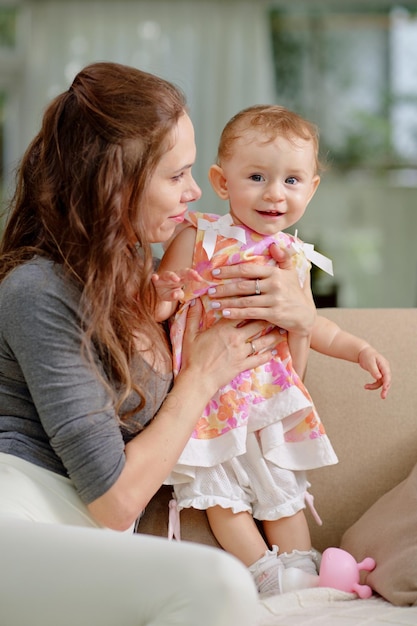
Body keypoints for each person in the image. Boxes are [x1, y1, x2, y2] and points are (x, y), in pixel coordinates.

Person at [0, 65, 319, 625]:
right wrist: (198, 379)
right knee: (218, 582)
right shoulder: (37, 289)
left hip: (86, 541)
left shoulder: (145, 281)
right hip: (20, 519)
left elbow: (264, 403)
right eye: (178, 175)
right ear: (115, 182)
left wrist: (300, 323)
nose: (197, 192)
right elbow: (115, 500)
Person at [153, 104, 392, 596]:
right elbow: (161, 301)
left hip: (266, 397)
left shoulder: (294, 259)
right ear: (221, 182)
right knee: (220, 494)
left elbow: (309, 324)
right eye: (257, 176)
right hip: (210, 397)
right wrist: (166, 294)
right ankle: (264, 571)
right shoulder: (198, 237)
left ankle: (303, 569)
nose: (273, 194)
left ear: (312, 187)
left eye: (291, 181)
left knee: (283, 487)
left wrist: (357, 347)